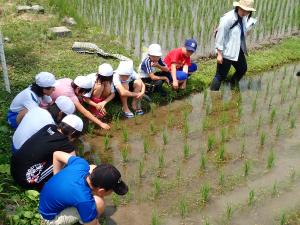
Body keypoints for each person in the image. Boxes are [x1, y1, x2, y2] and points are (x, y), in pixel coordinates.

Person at [39, 152, 128, 225]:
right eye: (112, 190)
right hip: (50, 217)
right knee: (99, 203)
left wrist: (57, 176)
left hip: (45, 199)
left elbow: (56, 154)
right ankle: (86, 219)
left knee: (91, 166)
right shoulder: (84, 200)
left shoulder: (81, 164)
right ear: (101, 191)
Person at [10, 114, 83, 190]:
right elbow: (75, 163)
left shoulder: (49, 127)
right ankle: (47, 186)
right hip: (24, 181)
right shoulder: (66, 145)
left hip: (13, 166)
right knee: (61, 161)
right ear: (73, 133)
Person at [210, 0, 256, 91]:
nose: (244, 12)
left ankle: (233, 83)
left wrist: (250, 26)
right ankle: (213, 94)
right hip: (226, 52)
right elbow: (220, 35)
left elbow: (241, 30)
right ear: (238, 7)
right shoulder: (228, 18)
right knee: (220, 76)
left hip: (237, 50)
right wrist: (219, 54)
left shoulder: (243, 17)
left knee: (242, 68)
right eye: (242, 9)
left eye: (247, 11)